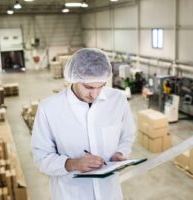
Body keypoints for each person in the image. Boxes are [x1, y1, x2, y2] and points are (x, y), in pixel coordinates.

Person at [31, 48, 136, 200]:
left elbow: (127, 136)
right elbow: (41, 157)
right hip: (70, 194)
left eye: (101, 86)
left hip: (110, 193)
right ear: (72, 79)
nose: (95, 94)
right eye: (88, 87)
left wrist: (120, 153)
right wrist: (72, 164)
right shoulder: (49, 109)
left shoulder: (118, 100)